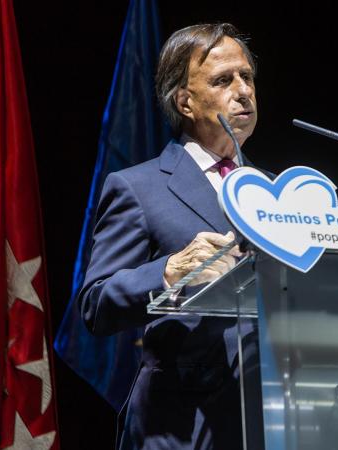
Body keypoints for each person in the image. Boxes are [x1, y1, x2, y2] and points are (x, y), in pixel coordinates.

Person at [79, 23, 260, 449]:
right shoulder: (139, 187)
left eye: (247, 76)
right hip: (182, 425)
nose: (243, 90)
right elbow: (95, 304)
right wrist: (169, 270)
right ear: (185, 101)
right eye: (223, 80)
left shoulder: (276, 192)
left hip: (276, 413)